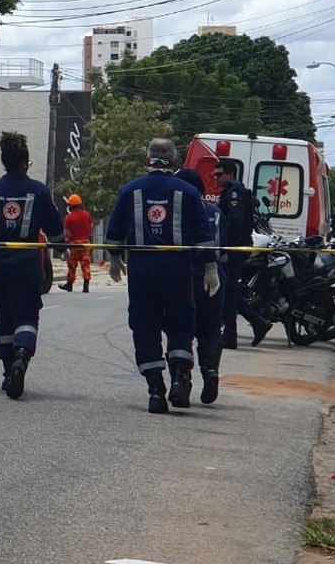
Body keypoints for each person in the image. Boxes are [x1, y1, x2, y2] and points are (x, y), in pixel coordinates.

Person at [106, 139, 218, 414]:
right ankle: (180, 377)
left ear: (148, 159)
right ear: (174, 160)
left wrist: (115, 259)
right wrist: (210, 268)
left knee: (145, 327)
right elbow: (204, 237)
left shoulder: (130, 190)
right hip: (178, 272)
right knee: (181, 324)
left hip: (142, 271)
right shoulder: (188, 192)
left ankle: (156, 390)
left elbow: (114, 230)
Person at [0, 132, 64, 399]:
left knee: (4, 316)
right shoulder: (39, 191)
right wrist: (64, 247)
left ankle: (8, 368)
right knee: (26, 316)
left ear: (4, 161)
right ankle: (21, 356)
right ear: (25, 162)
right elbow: (56, 234)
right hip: (27, 263)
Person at [176, 168, 227, 404]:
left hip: (185, 276)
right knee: (211, 327)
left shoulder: (177, 213)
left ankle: (181, 379)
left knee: (181, 328)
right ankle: (210, 371)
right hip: (214, 276)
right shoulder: (216, 213)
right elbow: (223, 249)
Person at [215, 160, 269, 347]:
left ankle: (231, 336)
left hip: (234, 249)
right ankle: (258, 322)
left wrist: (223, 241)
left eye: (219, 174)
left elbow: (235, 221)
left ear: (230, 174)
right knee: (229, 291)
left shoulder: (234, 193)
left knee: (228, 292)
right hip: (234, 248)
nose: (216, 178)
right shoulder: (231, 191)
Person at [58, 193, 93, 293]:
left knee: (72, 266)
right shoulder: (87, 215)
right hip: (85, 244)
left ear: (71, 206)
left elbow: (66, 233)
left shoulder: (69, 218)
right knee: (85, 265)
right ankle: (86, 286)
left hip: (73, 245)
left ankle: (69, 285)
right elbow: (91, 227)